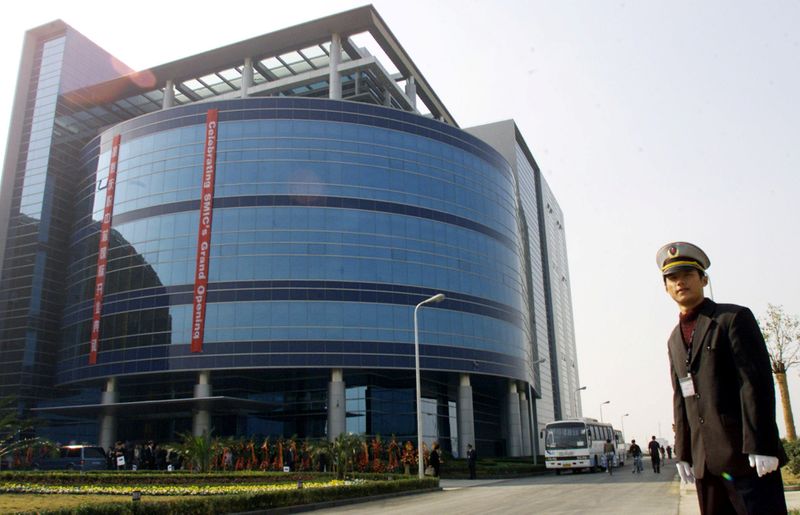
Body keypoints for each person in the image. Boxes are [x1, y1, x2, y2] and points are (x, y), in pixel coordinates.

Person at [657, 241, 788, 514]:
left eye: (688, 275)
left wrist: (761, 444)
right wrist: (684, 451)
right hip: (706, 464)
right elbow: (681, 398)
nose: (680, 282)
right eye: (673, 278)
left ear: (703, 279)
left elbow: (755, 383)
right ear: (665, 286)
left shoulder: (732, 318)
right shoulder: (673, 339)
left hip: (746, 459)